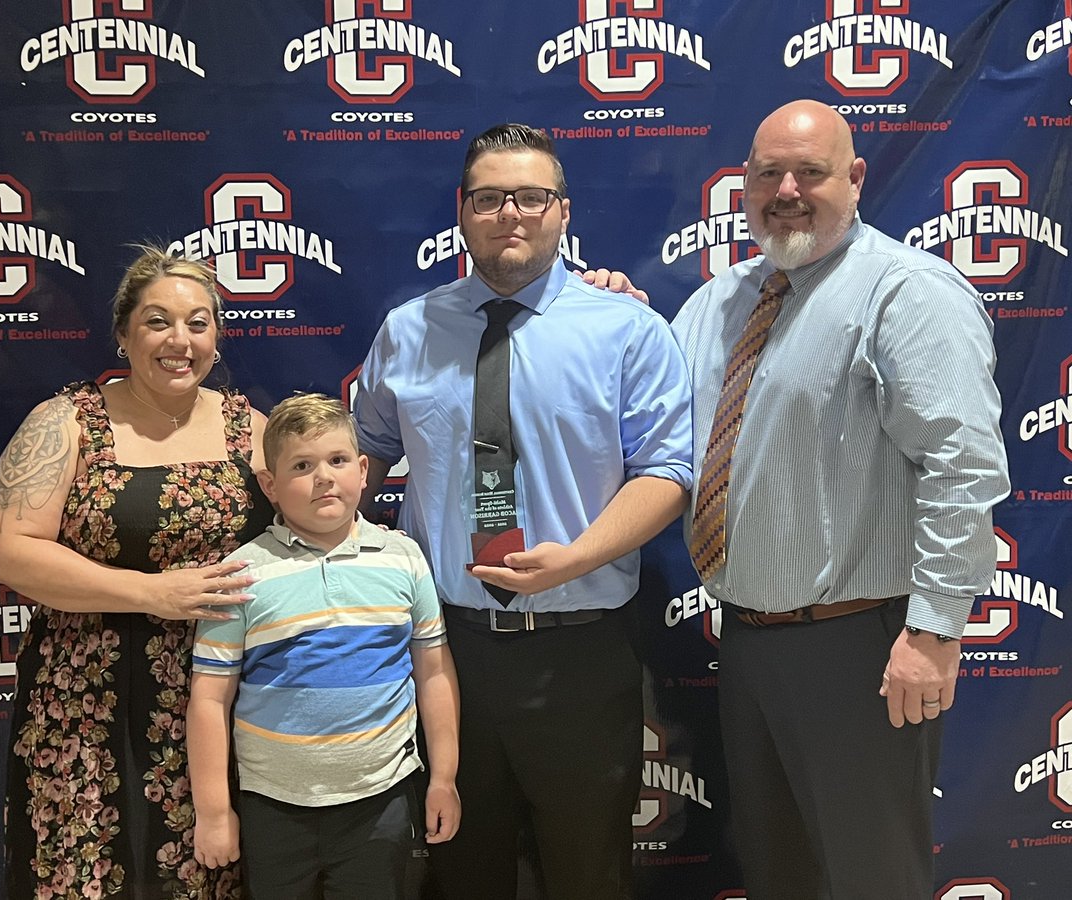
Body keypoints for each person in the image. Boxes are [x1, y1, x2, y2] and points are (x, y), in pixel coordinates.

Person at [671, 99, 1010, 899]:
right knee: (779, 873)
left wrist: (932, 632)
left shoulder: (906, 291)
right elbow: (646, 388)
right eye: (767, 173)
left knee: (871, 878)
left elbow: (961, 466)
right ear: (744, 184)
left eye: (810, 172)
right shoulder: (721, 302)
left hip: (864, 645)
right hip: (750, 639)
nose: (786, 190)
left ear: (855, 179)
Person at [354, 123, 693, 900]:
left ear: (563, 211)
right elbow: (361, 457)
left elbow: (668, 472)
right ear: (462, 211)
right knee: (461, 872)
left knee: (587, 875)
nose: (511, 213)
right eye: (489, 198)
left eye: (531, 196)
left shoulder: (629, 331)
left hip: (580, 653)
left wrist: (576, 558)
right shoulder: (408, 332)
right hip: (446, 655)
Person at [0, 245, 273, 899]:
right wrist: (151, 592)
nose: (181, 341)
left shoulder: (248, 427)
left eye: (199, 323)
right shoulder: (68, 424)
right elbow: (10, 550)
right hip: (84, 700)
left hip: (214, 697)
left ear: (217, 339)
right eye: (158, 321)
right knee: (84, 871)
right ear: (123, 334)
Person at [186, 393, 460, 899]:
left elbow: (434, 672)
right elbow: (208, 698)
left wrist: (443, 777)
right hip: (273, 806)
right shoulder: (239, 574)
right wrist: (214, 810)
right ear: (269, 485)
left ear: (362, 469)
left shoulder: (403, 558)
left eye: (337, 461)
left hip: (381, 800)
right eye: (301, 465)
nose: (323, 477)